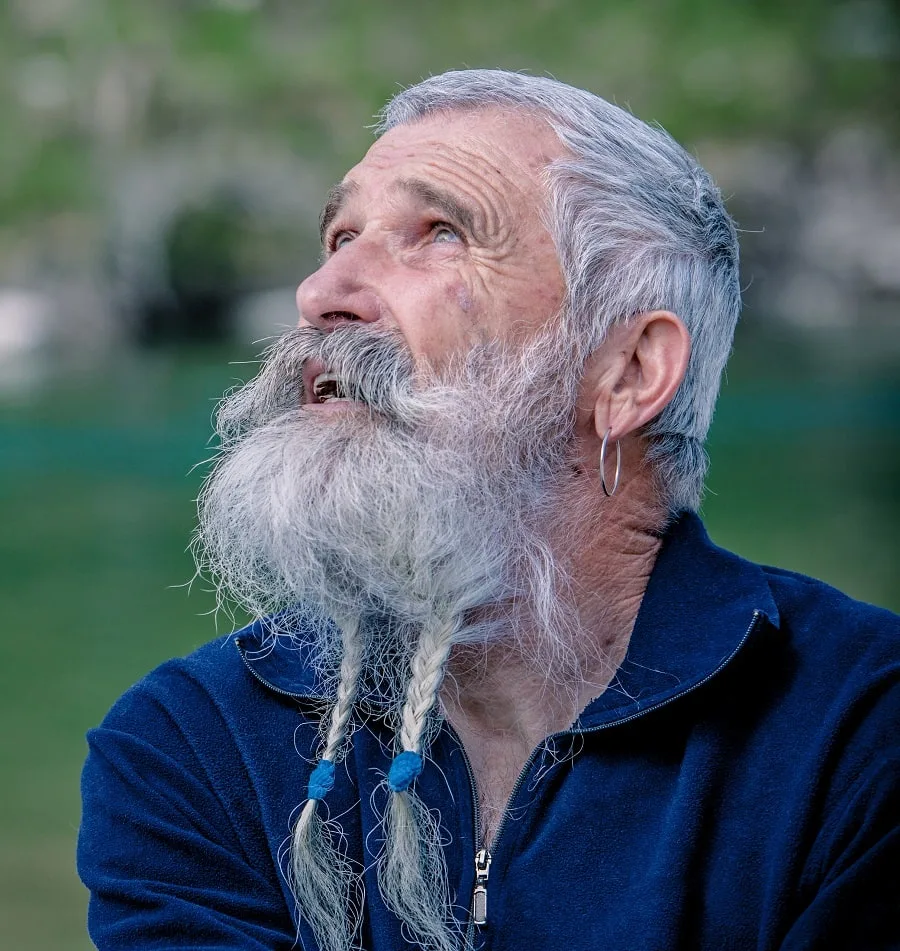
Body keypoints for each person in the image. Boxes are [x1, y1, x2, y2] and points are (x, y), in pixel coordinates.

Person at [77, 69, 899, 951]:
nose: (322, 294)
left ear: (628, 373)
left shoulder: (860, 730)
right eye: (340, 234)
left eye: (438, 234)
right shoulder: (193, 744)